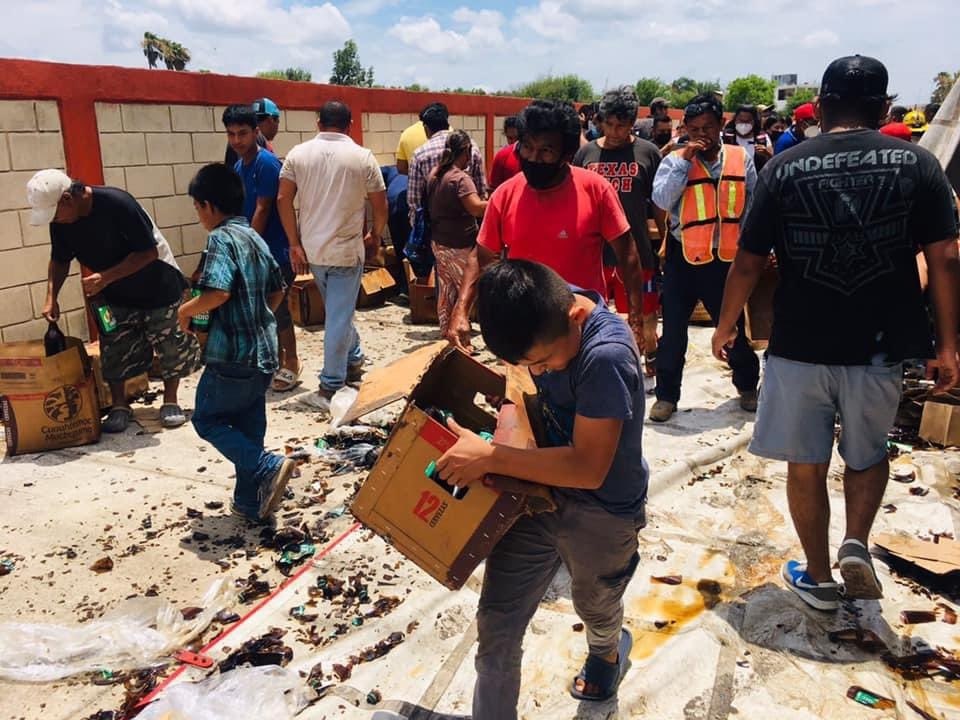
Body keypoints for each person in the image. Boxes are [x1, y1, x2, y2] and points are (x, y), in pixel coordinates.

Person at [712, 55, 960, 612]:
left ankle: (819, 578)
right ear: (885, 108)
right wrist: (946, 347)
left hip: (800, 344)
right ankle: (855, 543)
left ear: (821, 107)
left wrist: (726, 326)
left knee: (806, 462)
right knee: (867, 453)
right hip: (881, 345)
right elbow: (945, 258)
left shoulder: (783, 167)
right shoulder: (919, 164)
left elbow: (748, 262)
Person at [437, 259, 647, 718]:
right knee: (497, 621)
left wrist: (491, 457)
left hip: (602, 510)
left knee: (595, 601)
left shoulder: (605, 357)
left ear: (575, 316)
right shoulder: (536, 304)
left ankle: (607, 650)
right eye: (528, 364)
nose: (541, 371)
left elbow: (589, 469)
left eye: (544, 361)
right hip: (535, 496)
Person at [449, 100, 647, 353]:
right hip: (525, 329)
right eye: (527, 147)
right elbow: (481, 256)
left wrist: (635, 318)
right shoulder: (505, 195)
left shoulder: (596, 190)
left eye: (546, 150)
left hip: (582, 326)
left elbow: (627, 255)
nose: (533, 158)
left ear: (566, 154)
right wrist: (461, 310)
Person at [28, 168, 199, 433]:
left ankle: (170, 400)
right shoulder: (61, 222)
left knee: (169, 344)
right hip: (111, 292)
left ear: (67, 199)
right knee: (114, 345)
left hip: (156, 282)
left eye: (55, 214)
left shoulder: (118, 204)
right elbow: (60, 260)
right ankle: (120, 406)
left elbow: (148, 253)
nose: (56, 221)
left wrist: (105, 277)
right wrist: (52, 297)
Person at [179, 163, 295, 524]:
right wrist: (259, 316)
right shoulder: (254, 237)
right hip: (264, 355)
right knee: (248, 428)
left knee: (207, 419)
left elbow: (218, 292)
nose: (198, 215)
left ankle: (267, 465)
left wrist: (185, 311)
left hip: (232, 355)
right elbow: (278, 288)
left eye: (197, 207)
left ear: (209, 205)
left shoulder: (220, 238)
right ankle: (249, 502)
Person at [649, 93, 760, 423]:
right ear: (685, 128)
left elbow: (752, 204)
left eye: (708, 128)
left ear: (721, 124)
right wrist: (685, 160)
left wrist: (754, 248)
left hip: (725, 261)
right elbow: (661, 199)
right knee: (673, 334)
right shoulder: (674, 160)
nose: (702, 135)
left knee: (733, 329)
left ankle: (747, 386)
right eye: (694, 129)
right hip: (683, 259)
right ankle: (667, 396)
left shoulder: (740, 158)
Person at [277, 101, 387, 413]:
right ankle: (332, 385)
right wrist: (376, 234)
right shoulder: (362, 156)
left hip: (313, 250)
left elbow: (283, 198)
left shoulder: (298, 154)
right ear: (350, 124)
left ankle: (349, 363)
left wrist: (294, 243)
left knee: (338, 312)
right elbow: (380, 204)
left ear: (318, 123)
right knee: (339, 315)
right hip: (346, 251)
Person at [573, 86, 664, 372]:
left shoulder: (648, 153)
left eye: (621, 125)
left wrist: (664, 243)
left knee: (645, 314)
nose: (614, 132)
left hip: (636, 251)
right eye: (608, 124)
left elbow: (659, 204)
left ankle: (651, 354)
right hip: (595, 253)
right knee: (591, 313)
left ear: (633, 122)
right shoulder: (586, 154)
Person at [222, 104, 301, 392]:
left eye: (242, 133)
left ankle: (291, 362)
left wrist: (247, 250)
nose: (237, 140)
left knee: (275, 309)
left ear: (256, 132)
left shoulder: (265, 164)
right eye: (231, 134)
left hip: (274, 252)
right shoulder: (239, 166)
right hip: (254, 251)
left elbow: (263, 208)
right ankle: (273, 361)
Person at [427, 130, 487, 346]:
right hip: (460, 244)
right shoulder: (461, 179)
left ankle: (447, 335)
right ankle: (463, 341)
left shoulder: (436, 174)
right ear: (466, 151)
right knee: (466, 294)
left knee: (446, 292)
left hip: (439, 242)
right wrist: (497, 201)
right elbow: (476, 208)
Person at [408, 103, 486, 228]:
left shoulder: (420, 155)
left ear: (426, 128)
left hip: (436, 231)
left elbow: (415, 203)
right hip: (467, 230)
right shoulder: (472, 147)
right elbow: (481, 192)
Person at [224, 98, 279, 167]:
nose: (237, 140)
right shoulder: (255, 142)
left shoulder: (235, 138)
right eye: (277, 120)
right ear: (270, 120)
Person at [722, 104, 773, 170]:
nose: (744, 124)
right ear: (735, 120)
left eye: (748, 121)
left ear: (754, 121)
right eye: (741, 120)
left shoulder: (763, 138)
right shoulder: (726, 137)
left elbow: (773, 160)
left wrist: (766, 153)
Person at [395, 104, 432, 175]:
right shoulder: (448, 131)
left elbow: (401, 168)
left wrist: (416, 174)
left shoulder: (406, 133)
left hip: (415, 179)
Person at [488, 116, 522, 191]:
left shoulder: (532, 157)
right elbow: (494, 189)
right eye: (510, 138)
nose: (514, 142)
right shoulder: (502, 156)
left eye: (517, 138)